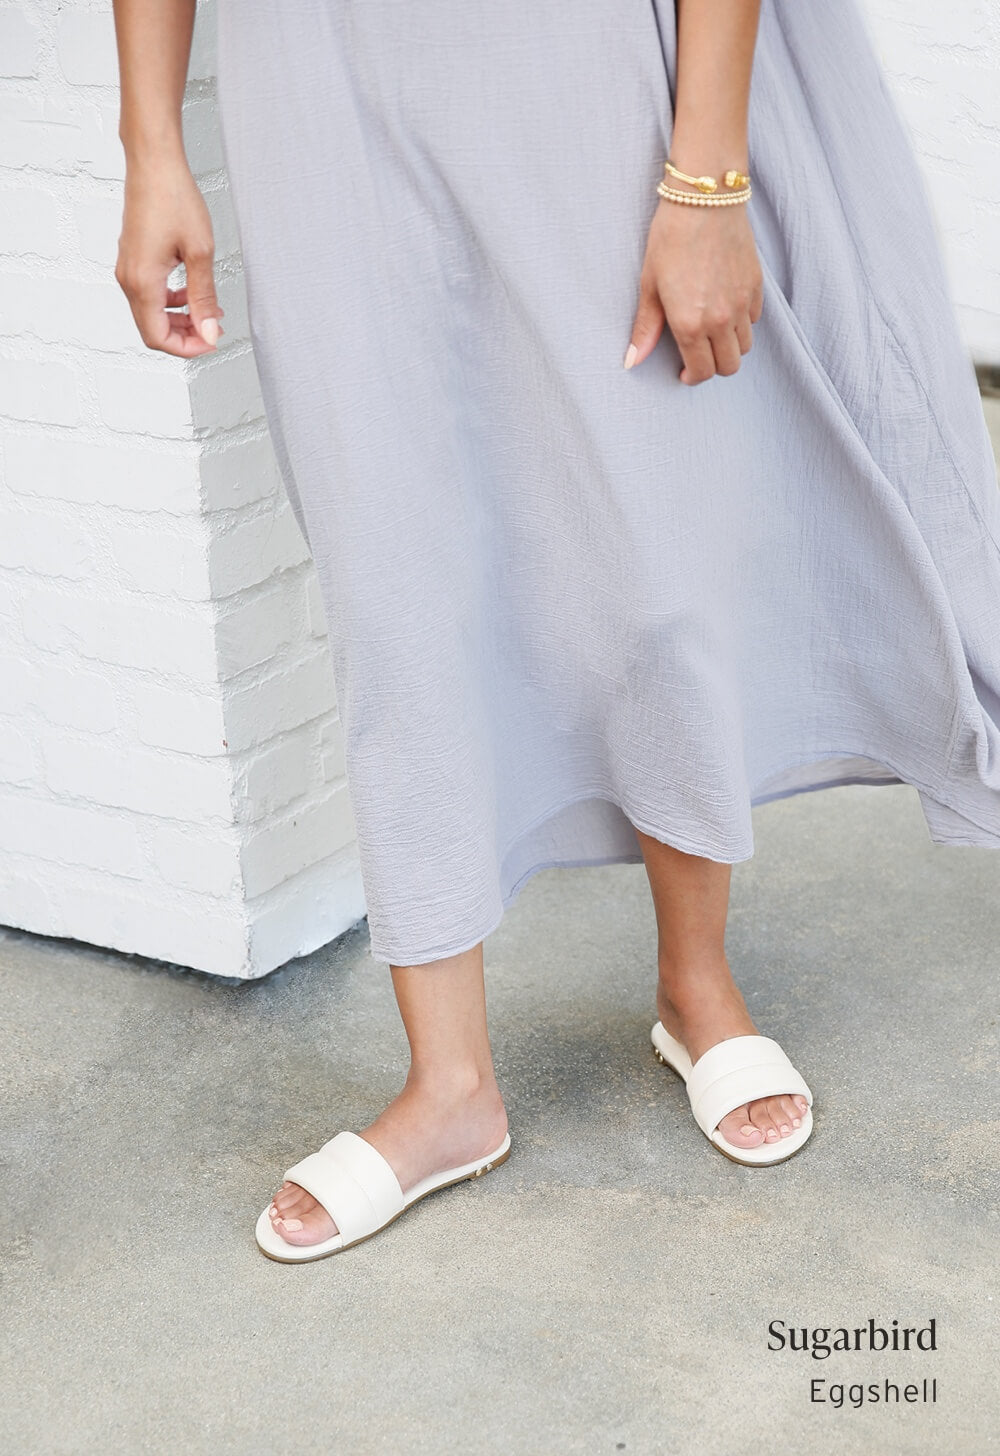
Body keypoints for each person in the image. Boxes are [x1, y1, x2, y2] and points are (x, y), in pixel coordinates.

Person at [111, 0, 1000, 1262]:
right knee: (392, 572)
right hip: (314, 76)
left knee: (648, 546)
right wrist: (152, 144)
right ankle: (451, 1086)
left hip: (574, 62)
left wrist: (705, 175)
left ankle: (697, 985)